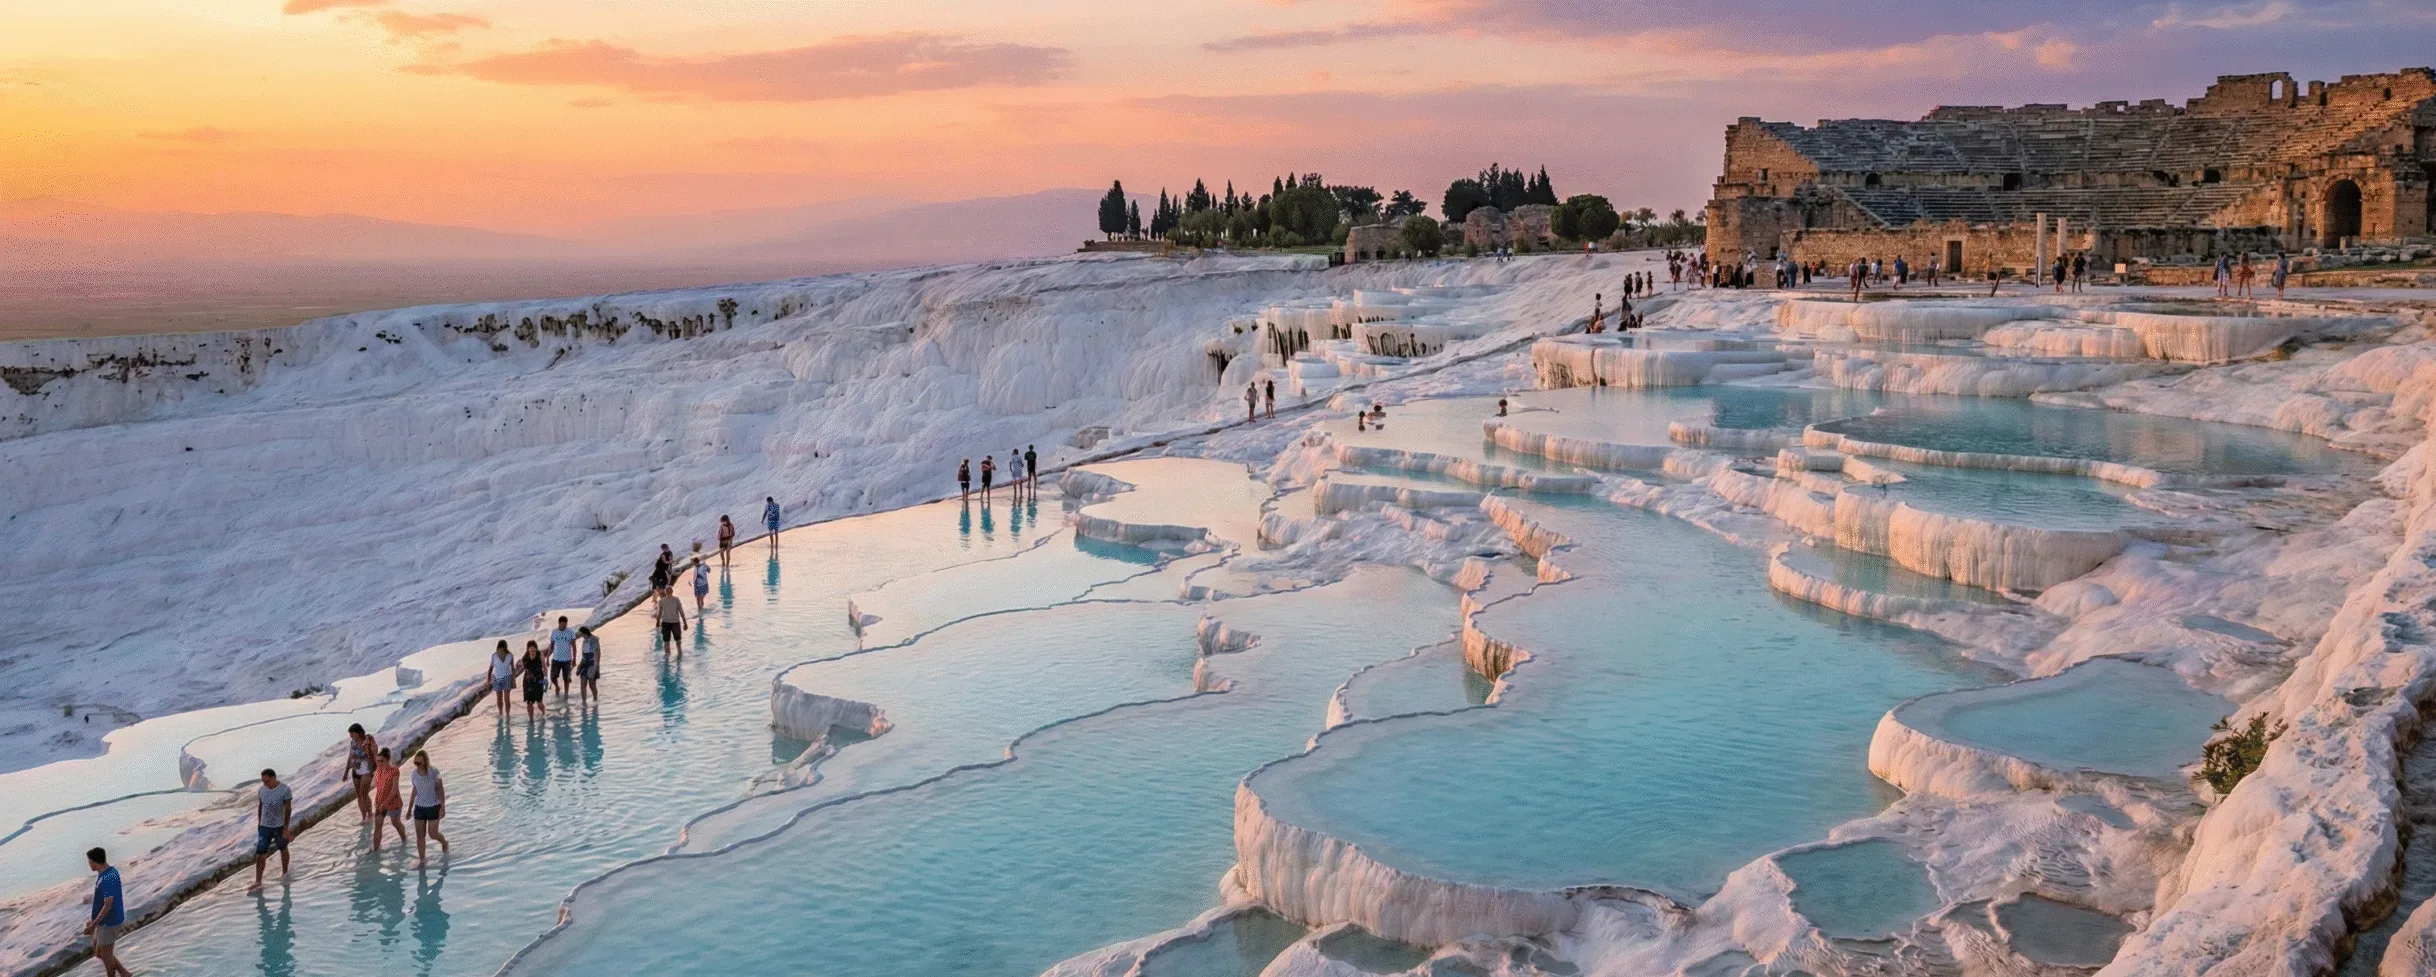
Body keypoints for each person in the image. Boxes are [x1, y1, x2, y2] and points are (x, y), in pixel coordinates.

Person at [248, 768, 293, 893]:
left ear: (273, 778)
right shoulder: (262, 790)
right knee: (261, 853)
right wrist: (259, 822)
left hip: (279, 826)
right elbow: (260, 806)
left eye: (266, 781)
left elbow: (288, 809)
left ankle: (285, 873)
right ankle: (258, 881)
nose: (264, 784)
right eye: (263, 782)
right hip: (264, 827)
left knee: (283, 848)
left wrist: (286, 827)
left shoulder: (285, 789)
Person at [86, 848, 129, 977]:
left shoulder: (108, 877)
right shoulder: (105, 872)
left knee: (106, 955)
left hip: (110, 921)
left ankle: (119, 974)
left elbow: (108, 904)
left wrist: (93, 925)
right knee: (100, 953)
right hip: (103, 921)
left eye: (89, 861)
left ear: (95, 861)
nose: (89, 864)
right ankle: (124, 973)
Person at [408, 750, 448, 868]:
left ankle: (444, 842)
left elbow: (440, 789)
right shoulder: (414, 774)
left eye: (419, 763)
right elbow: (415, 790)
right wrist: (409, 808)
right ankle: (422, 861)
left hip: (433, 806)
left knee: (433, 834)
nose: (417, 765)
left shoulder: (434, 772)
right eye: (415, 763)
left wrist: (442, 807)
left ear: (425, 762)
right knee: (420, 837)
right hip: (419, 808)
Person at [370, 747, 407, 850]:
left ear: (388, 759)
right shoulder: (378, 770)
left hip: (393, 802)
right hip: (380, 803)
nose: (379, 763)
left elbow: (394, 790)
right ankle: (375, 850)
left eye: (382, 761)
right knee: (377, 826)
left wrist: (384, 804)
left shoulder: (394, 771)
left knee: (395, 823)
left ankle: (405, 841)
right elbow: (379, 788)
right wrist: (377, 802)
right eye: (378, 761)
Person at [347, 722, 377, 821]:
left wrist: (377, 769)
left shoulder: (369, 740)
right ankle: (364, 817)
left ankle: (370, 814)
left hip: (367, 768)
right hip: (356, 769)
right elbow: (350, 757)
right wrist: (346, 772)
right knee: (359, 795)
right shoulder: (353, 742)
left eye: (352, 733)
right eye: (350, 734)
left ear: (359, 732)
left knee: (364, 793)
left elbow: (375, 753)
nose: (351, 736)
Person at [549, 616, 577, 696]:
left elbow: (574, 646)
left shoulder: (570, 632)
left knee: (566, 679)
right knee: (553, 677)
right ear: (559, 623)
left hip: (567, 660)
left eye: (565, 625)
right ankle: (557, 687)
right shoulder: (554, 632)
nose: (564, 627)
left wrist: (574, 659)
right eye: (563, 625)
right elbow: (552, 645)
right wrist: (547, 657)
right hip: (556, 659)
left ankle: (566, 694)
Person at [519, 640, 547, 720]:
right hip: (528, 682)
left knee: (539, 701)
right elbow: (525, 669)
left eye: (534, 647)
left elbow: (544, 667)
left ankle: (543, 713)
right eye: (530, 648)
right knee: (529, 702)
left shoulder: (540, 654)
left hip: (539, 680)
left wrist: (545, 679)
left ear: (536, 648)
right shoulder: (525, 657)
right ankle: (531, 719)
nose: (532, 649)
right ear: (528, 649)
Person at [656, 589, 686, 659]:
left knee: (666, 641)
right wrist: (685, 622)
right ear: (672, 592)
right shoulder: (676, 599)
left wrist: (657, 622)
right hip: (675, 623)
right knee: (678, 641)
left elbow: (659, 613)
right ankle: (679, 656)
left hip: (665, 623)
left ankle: (667, 657)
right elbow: (681, 611)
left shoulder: (662, 601)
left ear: (666, 592)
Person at [488, 640, 515, 716]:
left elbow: (513, 668)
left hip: (507, 678)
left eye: (502, 649)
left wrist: (514, 681)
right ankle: (500, 713)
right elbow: (490, 669)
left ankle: (507, 715)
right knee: (499, 699)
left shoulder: (510, 656)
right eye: (499, 649)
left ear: (505, 648)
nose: (501, 650)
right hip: (497, 679)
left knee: (507, 699)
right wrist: (488, 680)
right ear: (497, 648)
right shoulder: (494, 656)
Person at [576, 625, 601, 700]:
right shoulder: (584, 640)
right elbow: (583, 654)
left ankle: (595, 700)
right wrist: (579, 665)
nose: (578, 634)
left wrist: (595, 667)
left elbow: (598, 654)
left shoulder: (594, 640)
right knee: (582, 685)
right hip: (584, 663)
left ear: (583, 633)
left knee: (592, 685)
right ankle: (584, 703)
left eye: (579, 633)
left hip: (592, 664)